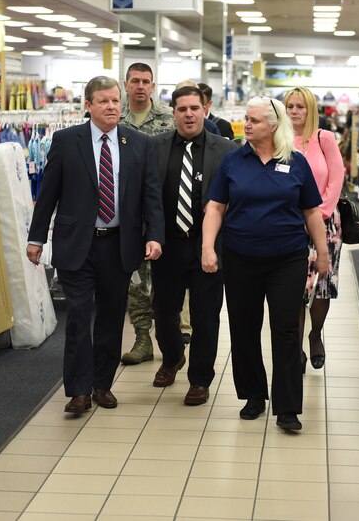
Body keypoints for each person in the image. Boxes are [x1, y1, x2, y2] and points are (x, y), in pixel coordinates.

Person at [26, 75, 164, 414]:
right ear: (88, 105)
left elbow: (151, 197)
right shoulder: (65, 140)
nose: (112, 106)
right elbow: (49, 194)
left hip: (119, 245)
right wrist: (36, 237)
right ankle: (78, 391)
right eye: (104, 101)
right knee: (79, 315)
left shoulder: (138, 144)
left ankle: (102, 385)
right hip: (77, 244)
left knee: (111, 316)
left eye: (116, 100)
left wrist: (155, 235)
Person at [202, 97, 329, 432]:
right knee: (244, 327)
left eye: (254, 120)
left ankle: (288, 407)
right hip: (240, 256)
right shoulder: (233, 161)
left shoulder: (295, 162)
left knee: (286, 329)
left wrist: (323, 252)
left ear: (273, 125)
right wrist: (208, 247)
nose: (247, 125)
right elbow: (215, 208)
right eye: (246, 119)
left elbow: (312, 212)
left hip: (287, 257)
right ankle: (254, 395)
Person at [149, 85, 238, 405]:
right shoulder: (156, 147)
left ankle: (200, 379)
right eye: (182, 109)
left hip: (209, 246)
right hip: (168, 245)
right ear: (173, 112)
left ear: (205, 110)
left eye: (194, 108)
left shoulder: (226, 149)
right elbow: (149, 197)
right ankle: (173, 358)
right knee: (164, 311)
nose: (188, 114)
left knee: (205, 317)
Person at [285, 87, 344, 372]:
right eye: (290, 106)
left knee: (322, 287)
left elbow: (336, 178)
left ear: (310, 110)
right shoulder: (279, 140)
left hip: (325, 223)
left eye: (300, 107)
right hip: (290, 224)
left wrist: (318, 214)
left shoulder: (325, 138)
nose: (294, 111)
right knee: (295, 288)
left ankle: (315, 334)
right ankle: (295, 347)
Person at [118, 63, 174, 365]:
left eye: (146, 82)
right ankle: (142, 338)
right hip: (125, 213)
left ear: (153, 86)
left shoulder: (168, 119)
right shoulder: (116, 119)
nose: (141, 86)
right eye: (135, 81)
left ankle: (170, 336)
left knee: (165, 279)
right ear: (126, 84)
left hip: (162, 210)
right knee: (135, 279)